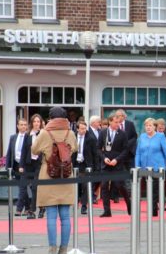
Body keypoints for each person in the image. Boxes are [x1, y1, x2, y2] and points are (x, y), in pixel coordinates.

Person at [32, 107, 77, 254]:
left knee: (51, 214)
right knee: (65, 215)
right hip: (66, 175)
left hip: (48, 175)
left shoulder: (45, 133)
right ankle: (63, 248)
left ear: (51, 118)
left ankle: (52, 248)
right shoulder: (70, 133)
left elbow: (34, 150)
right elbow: (75, 148)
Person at [135, 118, 166, 216]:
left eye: (150, 125)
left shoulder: (160, 137)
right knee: (149, 188)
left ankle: (153, 210)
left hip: (158, 167)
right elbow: (138, 153)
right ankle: (153, 208)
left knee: (155, 189)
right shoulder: (142, 137)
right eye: (146, 125)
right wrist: (137, 166)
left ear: (155, 127)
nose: (148, 127)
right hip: (145, 167)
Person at [98, 112, 131, 217]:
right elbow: (98, 148)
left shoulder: (122, 134)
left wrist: (117, 160)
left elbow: (126, 150)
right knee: (104, 186)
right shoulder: (103, 133)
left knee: (120, 186)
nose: (118, 124)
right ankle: (107, 211)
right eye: (116, 122)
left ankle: (130, 205)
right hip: (106, 165)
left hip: (117, 165)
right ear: (110, 122)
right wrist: (104, 158)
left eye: (119, 122)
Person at [20, 114, 46, 219]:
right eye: (34, 121)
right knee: (25, 186)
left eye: (38, 122)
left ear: (40, 123)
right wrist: (21, 165)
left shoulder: (44, 135)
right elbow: (24, 150)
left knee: (35, 187)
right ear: (32, 123)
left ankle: (32, 210)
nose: (36, 123)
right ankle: (41, 206)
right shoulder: (27, 135)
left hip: (39, 164)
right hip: (28, 163)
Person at [6, 118, 31, 216]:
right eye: (21, 124)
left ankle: (19, 208)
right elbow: (9, 152)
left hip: (25, 166)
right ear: (17, 126)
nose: (23, 126)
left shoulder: (29, 137)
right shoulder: (13, 137)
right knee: (22, 188)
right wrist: (8, 167)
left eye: (25, 125)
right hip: (15, 165)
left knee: (22, 187)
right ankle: (28, 207)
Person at [72, 121, 98, 215]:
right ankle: (75, 202)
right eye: (81, 128)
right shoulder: (73, 137)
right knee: (76, 185)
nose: (83, 130)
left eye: (85, 128)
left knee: (85, 185)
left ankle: (84, 206)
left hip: (86, 164)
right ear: (77, 129)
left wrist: (95, 167)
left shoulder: (90, 138)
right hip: (75, 164)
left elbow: (95, 154)